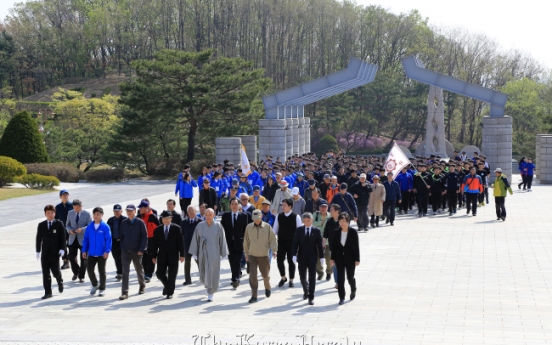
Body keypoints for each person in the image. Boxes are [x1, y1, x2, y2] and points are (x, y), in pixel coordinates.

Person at [188, 208, 229, 302]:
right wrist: (195, 252)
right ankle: (208, 289)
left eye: (210, 215)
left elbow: (222, 240)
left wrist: (224, 253)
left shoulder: (218, 226)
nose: (208, 217)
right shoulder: (200, 225)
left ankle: (211, 291)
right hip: (203, 252)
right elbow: (196, 239)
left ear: (214, 215)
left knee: (213, 271)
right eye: (206, 215)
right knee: (205, 271)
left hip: (215, 252)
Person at [243, 209, 278, 303]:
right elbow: (246, 241)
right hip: (252, 255)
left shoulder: (267, 227)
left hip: (264, 255)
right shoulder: (249, 227)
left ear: (261, 216)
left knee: (265, 275)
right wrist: (246, 253)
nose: (256, 220)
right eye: (254, 218)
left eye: (257, 218)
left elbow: (273, 239)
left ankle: (267, 287)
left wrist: (274, 251)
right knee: (253, 276)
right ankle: (254, 295)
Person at [150, 211, 185, 299]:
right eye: (163, 218)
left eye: (167, 218)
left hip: (173, 255)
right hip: (162, 255)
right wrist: (153, 256)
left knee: (172, 274)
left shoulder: (176, 228)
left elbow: (181, 242)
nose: (165, 220)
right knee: (159, 274)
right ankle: (168, 286)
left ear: (171, 219)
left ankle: (170, 292)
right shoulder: (158, 230)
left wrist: (182, 255)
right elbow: (155, 244)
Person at [292, 212, 324, 305]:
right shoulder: (299, 230)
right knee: (302, 278)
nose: (307, 223)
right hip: (301, 257)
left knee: (312, 278)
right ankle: (306, 290)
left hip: (313, 257)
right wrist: (294, 254)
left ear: (312, 220)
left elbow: (319, 245)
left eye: (308, 221)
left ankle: (311, 296)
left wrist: (321, 257)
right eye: (305, 221)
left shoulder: (316, 231)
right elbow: (295, 243)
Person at [36, 205, 67, 299]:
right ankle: (48, 292)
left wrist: (63, 249)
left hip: (55, 252)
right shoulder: (41, 225)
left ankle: (59, 281)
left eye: (52, 213)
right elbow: (38, 238)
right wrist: (38, 251)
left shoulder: (59, 224)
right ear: (45, 214)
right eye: (48, 213)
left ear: (55, 213)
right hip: (45, 253)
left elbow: (63, 237)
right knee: (45, 273)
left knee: (55, 271)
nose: (50, 215)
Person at [119, 204, 148, 300]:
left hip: (137, 250)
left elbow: (144, 237)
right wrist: (123, 247)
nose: (129, 213)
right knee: (125, 271)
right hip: (126, 251)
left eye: (131, 211)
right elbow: (122, 236)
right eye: (128, 211)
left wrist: (141, 249)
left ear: (135, 211)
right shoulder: (123, 223)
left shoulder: (140, 222)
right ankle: (125, 292)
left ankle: (142, 285)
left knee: (138, 269)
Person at [82, 207, 112, 297]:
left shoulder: (105, 227)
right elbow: (86, 239)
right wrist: (84, 250)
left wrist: (107, 251)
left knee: (101, 271)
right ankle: (95, 284)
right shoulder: (90, 227)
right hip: (91, 253)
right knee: (90, 269)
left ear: (102, 215)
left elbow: (108, 240)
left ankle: (102, 288)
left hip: (102, 253)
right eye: (94, 214)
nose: (96, 216)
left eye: (98, 214)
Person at [331, 212, 360, 305]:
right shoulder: (336, 232)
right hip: (339, 258)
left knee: (350, 277)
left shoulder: (353, 232)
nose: (342, 223)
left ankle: (353, 289)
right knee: (340, 279)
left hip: (350, 258)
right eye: (340, 221)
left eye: (344, 221)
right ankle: (341, 297)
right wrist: (332, 258)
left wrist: (357, 259)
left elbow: (356, 246)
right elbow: (334, 246)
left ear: (348, 221)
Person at [220, 198, 249, 288]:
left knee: (237, 261)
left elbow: (246, 230)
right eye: (232, 204)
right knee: (232, 261)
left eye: (236, 204)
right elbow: (222, 229)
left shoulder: (244, 216)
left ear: (239, 205)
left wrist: (246, 242)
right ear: (230, 206)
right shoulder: (226, 216)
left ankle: (235, 279)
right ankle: (235, 277)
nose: (234, 206)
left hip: (239, 242)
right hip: (229, 242)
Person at [273, 198, 302, 288]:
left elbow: (299, 231)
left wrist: (299, 244)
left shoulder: (296, 217)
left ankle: (291, 280)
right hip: (281, 242)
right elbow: (275, 230)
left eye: (285, 205)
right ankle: (283, 277)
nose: (283, 207)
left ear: (290, 206)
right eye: (282, 205)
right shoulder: (279, 216)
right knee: (279, 260)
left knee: (291, 261)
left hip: (292, 243)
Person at [65, 199, 92, 283]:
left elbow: (90, 225)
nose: (76, 209)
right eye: (75, 208)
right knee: (71, 257)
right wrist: (69, 230)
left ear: (81, 206)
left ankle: (81, 276)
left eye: (78, 207)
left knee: (83, 258)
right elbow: (67, 225)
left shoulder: (87, 214)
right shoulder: (70, 213)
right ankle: (76, 272)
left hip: (83, 239)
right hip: (72, 238)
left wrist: (82, 229)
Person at [137, 200, 160, 283]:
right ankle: (144, 272)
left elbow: (158, 229)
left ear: (146, 208)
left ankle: (149, 274)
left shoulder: (153, 217)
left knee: (151, 256)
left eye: (141, 208)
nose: (139, 209)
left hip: (152, 239)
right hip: (142, 239)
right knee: (143, 257)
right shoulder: (139, 217)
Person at [181, 205, 201, 285]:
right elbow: (181, 234)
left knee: (199, 262)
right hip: (187, 245)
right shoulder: (184, 222)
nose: (191, 212)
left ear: (196, 211)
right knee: (187, 264)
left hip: (197, 246)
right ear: (187, 213)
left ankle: (203, 276)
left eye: (192, 210)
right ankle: (187, 279)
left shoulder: (200, 221)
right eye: (189, 211)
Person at [107, 204, 126, 281]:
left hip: (122, 241)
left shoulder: (125, 220)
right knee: (116, 257)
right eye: (115, 211)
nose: (116, 212)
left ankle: (120, 272)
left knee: (122, 257)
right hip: (114, 242)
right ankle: (119, 272)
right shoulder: (110, 220)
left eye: (118, 211)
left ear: (121, 211)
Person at [313, 200, 331, 280]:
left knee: (329, 258)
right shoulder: (315, 215)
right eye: (322, 207)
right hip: (317, 241)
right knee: (317, 259)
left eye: (325, 207)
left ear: (327, 207)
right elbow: (311, 223)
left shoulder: (330, 216)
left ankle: (329, 272)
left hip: (328, 241)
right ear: (319, 207)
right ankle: (320, 273)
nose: (323, 208)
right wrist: (321, 222)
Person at [54, 189, 72, 269]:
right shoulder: (58, 207)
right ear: (60, 197)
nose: (65, 196)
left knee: (71, 246)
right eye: (63, 195)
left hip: (71, 229)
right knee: (63, 246)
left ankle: (72, 258)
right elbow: (56, 218)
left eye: (66, 195)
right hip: (62, 230)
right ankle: (65, 261)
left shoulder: (72, 205)